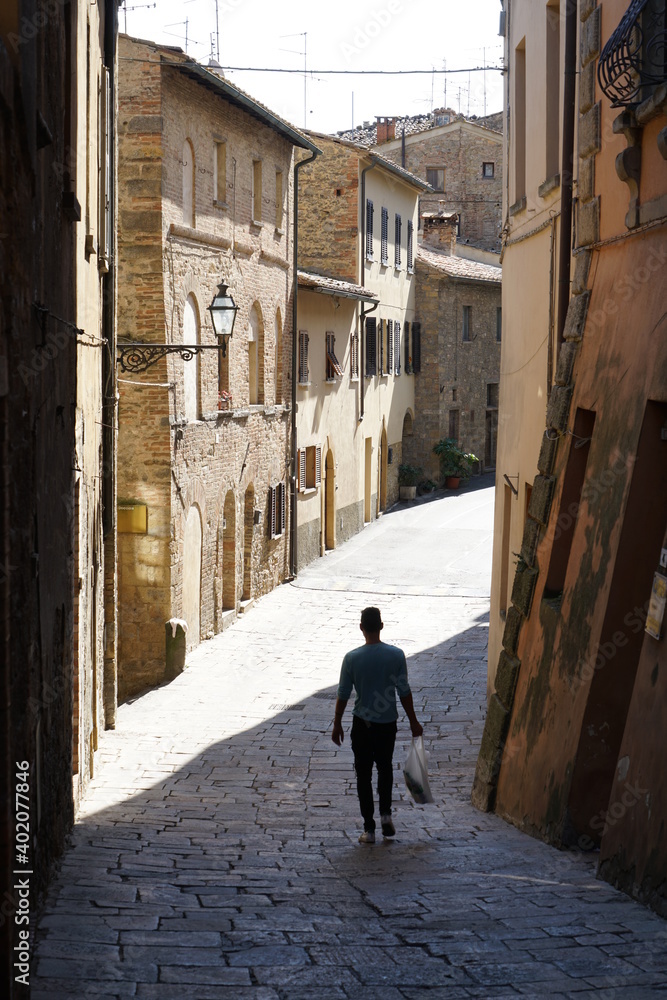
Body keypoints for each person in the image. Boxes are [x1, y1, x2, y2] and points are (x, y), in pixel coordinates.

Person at [332, 606, 423, 843]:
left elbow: (343, 693)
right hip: (387, 724)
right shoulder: (396, 655)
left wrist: (337, 723)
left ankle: (369, 829)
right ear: (381, 626)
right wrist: (414, 721)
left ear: (361, 628)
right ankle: (385, 814)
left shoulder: (351, 659)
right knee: (384, 768)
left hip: (362, 725)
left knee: (363, 774)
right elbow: (404, 691)